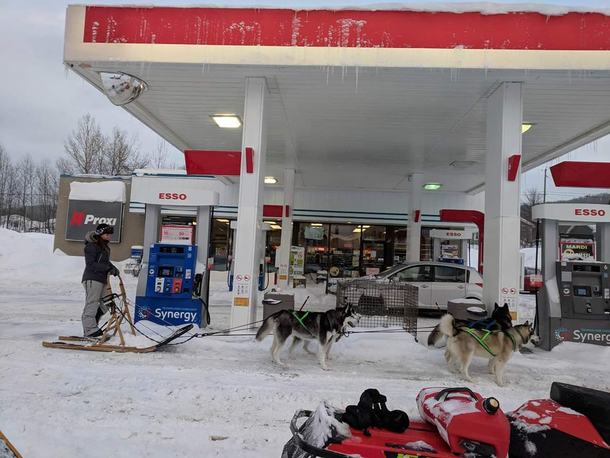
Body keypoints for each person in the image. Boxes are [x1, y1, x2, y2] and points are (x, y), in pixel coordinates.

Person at [81, 223, 120, 337]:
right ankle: (89, 330)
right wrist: (106, 268)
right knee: (92, 303)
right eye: (107, 234)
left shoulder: (104, 246)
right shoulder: (91, 246)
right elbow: (90, 264)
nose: (109, 236)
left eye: (110, 234)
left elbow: (104, 262)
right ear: (100, 234)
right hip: (92, 278)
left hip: (102, 279)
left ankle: (94, 324)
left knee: (107, 302)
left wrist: (112, 267)